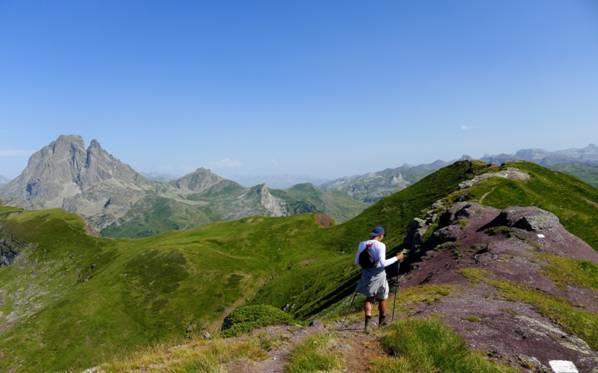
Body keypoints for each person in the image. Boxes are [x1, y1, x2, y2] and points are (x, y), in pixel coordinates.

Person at [354, 225, 404, 332]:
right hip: (379, 274)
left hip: (366, 273)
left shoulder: (362, 244)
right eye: (383, 235)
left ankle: (367, 324)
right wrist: (397, 258)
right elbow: (383, 263)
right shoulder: (381, 245)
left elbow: (357, 262)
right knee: (383, 297)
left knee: (369, 298)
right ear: (380, 235)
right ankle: (382, 323)